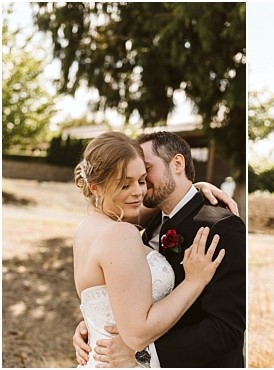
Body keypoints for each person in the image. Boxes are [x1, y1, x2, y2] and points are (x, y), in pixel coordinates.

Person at [73, 131, 247, 367]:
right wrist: (94, 326)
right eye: (127, 182)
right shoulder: (136, 223)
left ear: (177, 164)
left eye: (144, 174)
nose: (140, 189)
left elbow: (226, 329)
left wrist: (142, 353)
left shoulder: (221, 227)